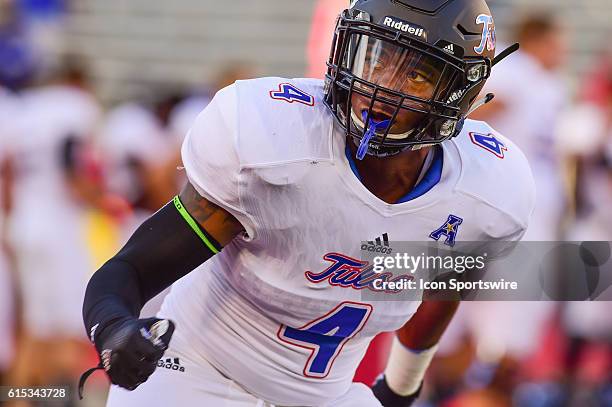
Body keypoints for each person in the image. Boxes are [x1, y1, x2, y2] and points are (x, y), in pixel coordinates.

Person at [81, 0, 535, 406]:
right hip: (197, 375)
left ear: (461, 94)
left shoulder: (488, 192)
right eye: (375, 57)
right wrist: (113, 327)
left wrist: (401, 386)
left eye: (416, 73)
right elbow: (132, 269)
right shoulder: (274, 141)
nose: (380, 86)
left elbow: (440, 288)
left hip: (328, 395)